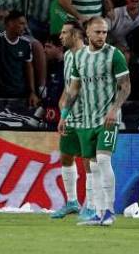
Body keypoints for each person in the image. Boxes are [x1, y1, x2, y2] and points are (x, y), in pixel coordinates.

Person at [57, 16, 131, 228]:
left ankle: (109, 210)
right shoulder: (80, 58)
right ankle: (98, 213)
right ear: (87, 33)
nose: (101, 36)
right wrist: (64, 116)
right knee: (94, 167)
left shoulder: (113, 55)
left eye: (104, 32)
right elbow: (73, 89)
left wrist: (114, 109)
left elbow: (125, 86)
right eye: (97, 32)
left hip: (108, 120)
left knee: (103, 160)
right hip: (86, 120)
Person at [49, 20, 88, 219]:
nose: (60, 36)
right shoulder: (67, 56)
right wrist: (62, 107)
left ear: (75, 35)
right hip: (71, 116)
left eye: (64, 32)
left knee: (90, 160)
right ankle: (72, 201)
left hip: (88, 117)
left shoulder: (88, 56)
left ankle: (92, 205)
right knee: (66, 156)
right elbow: (68, 87)